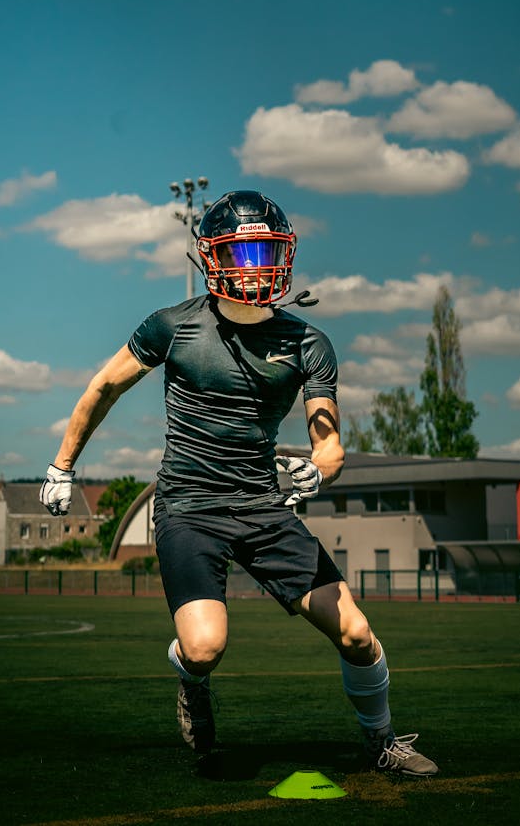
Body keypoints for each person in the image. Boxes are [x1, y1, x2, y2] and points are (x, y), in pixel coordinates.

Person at [39, 189, 437, 776]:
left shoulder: (308, 343)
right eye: (243, 251)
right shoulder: (172, 325)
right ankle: (191, 683)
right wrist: (62, 464)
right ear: (211, 257)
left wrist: (317, 469)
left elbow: (328, 442)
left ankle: (380, 741)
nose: (258, 266)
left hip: (264, 509)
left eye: (266, 250)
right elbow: (103, 387)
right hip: (190, 509)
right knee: (203, 647)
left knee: (356, 632)